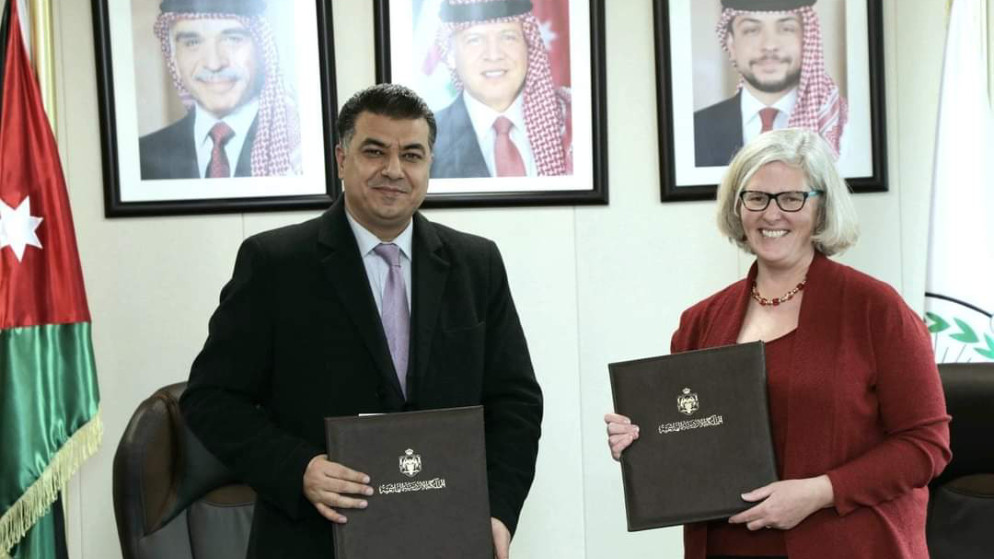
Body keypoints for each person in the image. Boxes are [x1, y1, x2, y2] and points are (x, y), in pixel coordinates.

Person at [180, 84, 543, 558]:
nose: (393, 169)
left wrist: (498, 511)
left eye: (411, 155)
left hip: (447, 536)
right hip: (314, 540)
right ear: (341, 159)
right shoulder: (275, 264)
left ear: (429, 164)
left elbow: (516, 403)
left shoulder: (477, 264)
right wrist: (298, 468)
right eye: (375, 151)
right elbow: (210, 398)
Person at [605, 129, 950, 558]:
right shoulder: (700, 322)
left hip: (846, 544)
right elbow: (692, 436)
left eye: (791, 198)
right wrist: (643, 444)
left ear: (821, 208)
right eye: (757, 198)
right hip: (728, 546)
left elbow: (925, 445)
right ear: (738, 207)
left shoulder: (875, 309)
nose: (772, 214)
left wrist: (820, 492)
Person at [139, 0, 300, 180]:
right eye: (192, 43)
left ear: (262, 50)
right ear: (174, 59)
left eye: (233, 39)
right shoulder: (142, 159)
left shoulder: (299, 151)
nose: (213, 64)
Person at [694, 0, 847, 167]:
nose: (769, 45)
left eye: (786, 29)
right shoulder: (694, 129)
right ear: (731, 45)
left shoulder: (842, 124)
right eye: (752, 30)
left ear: (808, 39)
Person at [430, 0, 571, 178]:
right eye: (474, 40)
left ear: (528, 45)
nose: (494, 55)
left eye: (508, 37)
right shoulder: (423, 138)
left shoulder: (575, 121)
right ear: (450, 54)